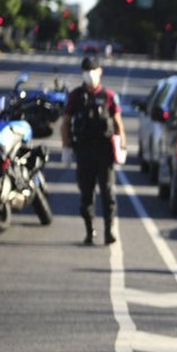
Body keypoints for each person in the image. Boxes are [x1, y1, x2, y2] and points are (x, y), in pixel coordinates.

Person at [61, 56, 126, 245]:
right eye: (86, 70)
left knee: (107, 192)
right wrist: (66, 148)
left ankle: (109, 231)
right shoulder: (76, 96)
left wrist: (122, 146)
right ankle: (90, 231)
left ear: (100, 72)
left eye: (93, 70)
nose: (89, 74)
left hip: (104, 151)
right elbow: (65, 123)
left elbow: (118, 123)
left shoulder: (108, 96)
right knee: (86, 193)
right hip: (84, 150)